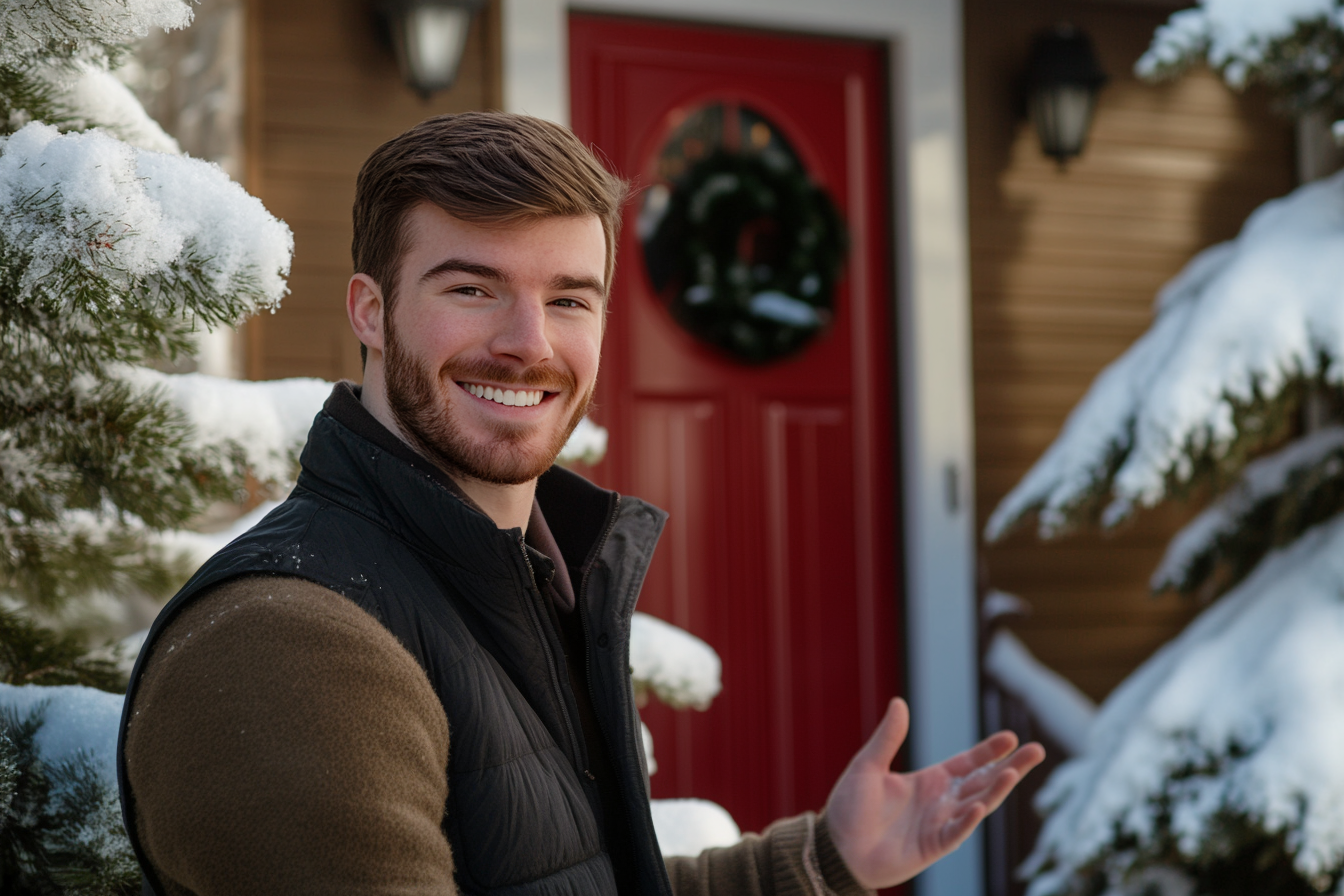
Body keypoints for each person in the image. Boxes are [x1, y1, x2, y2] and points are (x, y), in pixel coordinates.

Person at [116, 112, 1043, 896]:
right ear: (370, 309)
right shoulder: (295, 647)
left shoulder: (511, 578)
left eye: (569, 299)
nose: (529, 344)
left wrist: (816, 863)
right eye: (472, 288)